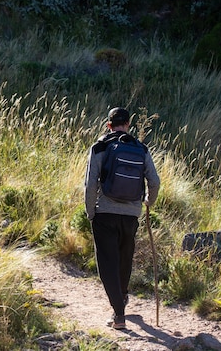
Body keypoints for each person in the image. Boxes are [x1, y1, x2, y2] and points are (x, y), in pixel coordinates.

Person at [84, 107, 160, 330]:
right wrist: (148, 201)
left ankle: (119, 314)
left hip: (105, 213)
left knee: (107, 263)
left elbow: (90, 185)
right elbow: (155, 182)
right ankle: (122, 298)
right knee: (124, 259)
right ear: (128, 124)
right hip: (131, 215)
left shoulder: (99, 147)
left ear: (108, 125)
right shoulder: (141, 149)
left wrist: (91, 212)